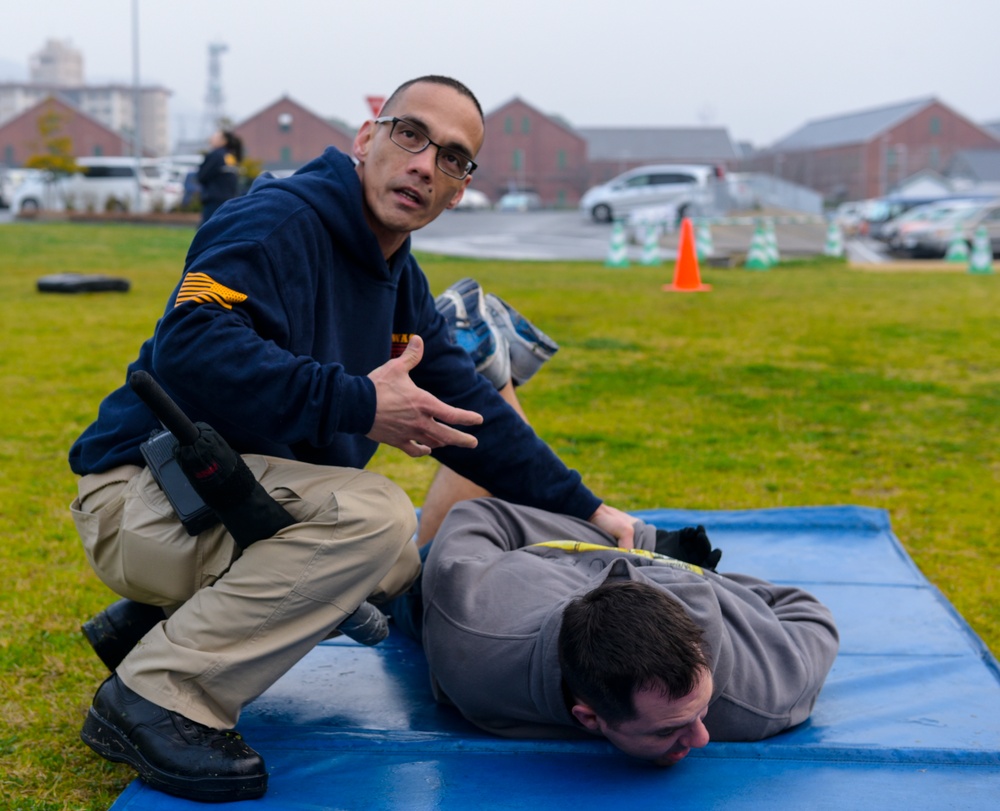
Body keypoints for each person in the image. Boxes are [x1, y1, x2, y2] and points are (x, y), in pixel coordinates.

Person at [68, 75, 635, 803]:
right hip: (142, 494)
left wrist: (596, 514)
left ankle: (150, 625)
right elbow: (191, 348)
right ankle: (157, 693)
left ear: (459, 190)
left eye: (454, 158)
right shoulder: (276, 221)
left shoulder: (400, 280)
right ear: (366, 140)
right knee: (373, 520)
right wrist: (361, 402)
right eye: (411, 134)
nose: (427, 164)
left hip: (214, 500)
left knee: (396, 564)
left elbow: (477, 423)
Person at [396, 497, 838, 767]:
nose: (702, 738)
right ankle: (481, 376)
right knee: (399, 581)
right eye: (668, 730)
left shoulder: (755, 697)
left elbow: (805, 612)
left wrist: (658, 553)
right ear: (589, 718)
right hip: (511, 573)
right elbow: (479, 515)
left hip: (671, 585)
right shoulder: (476, 637)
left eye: (700, 709)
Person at [196, 129, 243, 224]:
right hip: (229, 198)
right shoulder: (230, 156)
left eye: (215, 136)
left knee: (207, 230)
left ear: (223, 141)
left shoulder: (216, 155)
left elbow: (202, 176)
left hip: (214, 199)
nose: (211, 138)